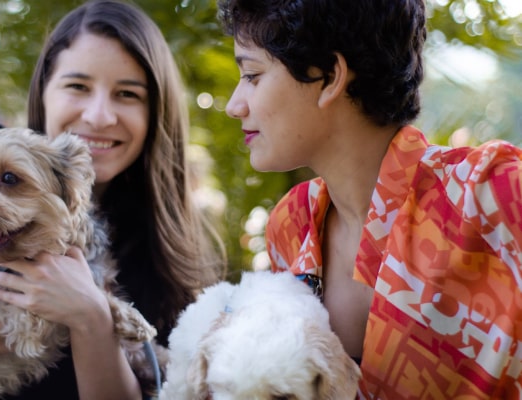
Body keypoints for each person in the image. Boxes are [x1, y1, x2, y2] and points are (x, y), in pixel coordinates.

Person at [0, 1, 224, 399]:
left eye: (127, 94)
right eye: (77, 87)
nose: (99, 116)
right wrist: (72, 311)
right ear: (44, 91)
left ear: (156, 111)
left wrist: (90, 315)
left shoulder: (161, 246)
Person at [217, 0, 522, 398]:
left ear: (329, 76)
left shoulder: (491, 193)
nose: (234, 105)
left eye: (252, 76)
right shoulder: (290, 224)